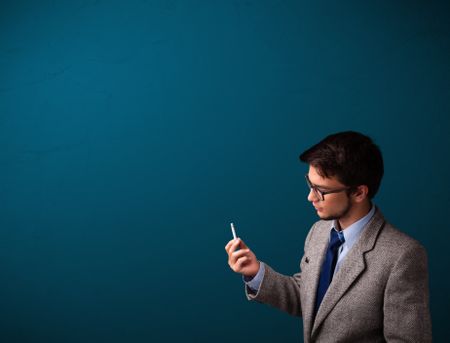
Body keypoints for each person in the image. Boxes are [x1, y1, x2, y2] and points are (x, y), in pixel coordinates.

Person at [225, 131, 432, 342]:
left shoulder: (402, 256)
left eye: (321, 190)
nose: (310, 197)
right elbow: (310, 299)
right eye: (310, 184)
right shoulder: (318, 232)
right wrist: (256, 272)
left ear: (359, 193)